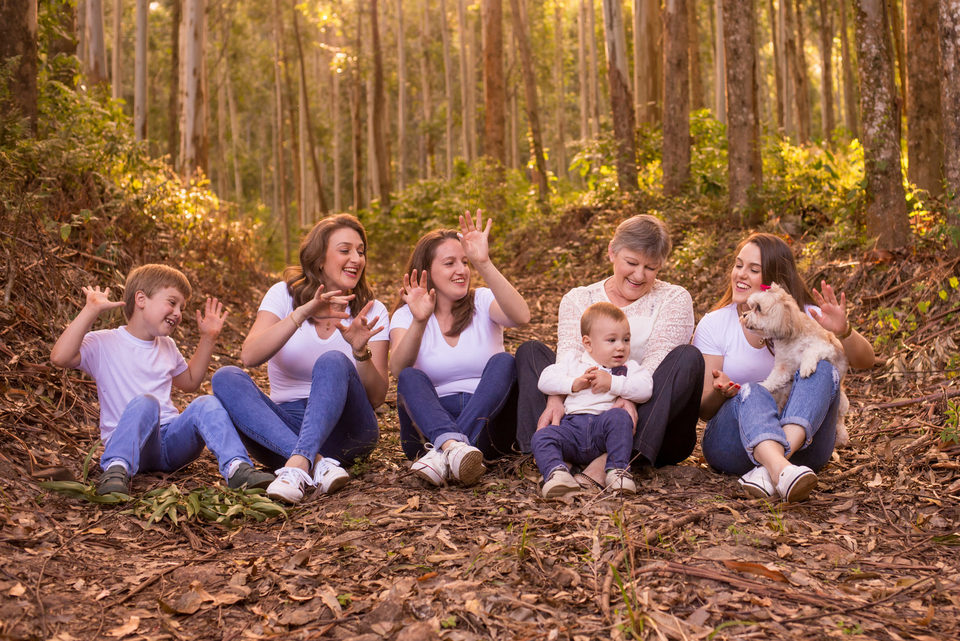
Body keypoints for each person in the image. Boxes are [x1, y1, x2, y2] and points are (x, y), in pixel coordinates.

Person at [50, 264, 273, 495]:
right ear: (141, 299)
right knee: (146, 402)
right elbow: (59, 357)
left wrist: (208, 338)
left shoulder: (167, 346)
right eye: (172, 302)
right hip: (130, 444)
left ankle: (237, 468)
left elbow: (190, 382)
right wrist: (90, 311)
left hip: (172, 445)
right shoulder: (104, 343)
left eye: (181, 308)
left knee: (206, 403)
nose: (178, 313)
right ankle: (116, 470)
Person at [211, 214, 388, 504]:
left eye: (361, 251)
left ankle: (298, 463)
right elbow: (250, 355)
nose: (356, 258)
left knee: (332, 359)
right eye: (345, 250)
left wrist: (359, 351)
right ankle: (315, 463)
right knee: (225, 377)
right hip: (282, 428)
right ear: (319, 259)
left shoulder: (372, 308)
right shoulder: (283, 295)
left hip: (347, 431)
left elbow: (377, 397)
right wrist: (302, 313)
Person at [516, 214, 703, 488]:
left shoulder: (673, 298)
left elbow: (657, 364)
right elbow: (566, 357)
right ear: (612, 253)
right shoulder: (579, 298)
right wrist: (555, 399)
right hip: (578, 418)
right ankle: (556, 455)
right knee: (530, 352)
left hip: (644, 417)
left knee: (687, 359)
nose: (639, 275)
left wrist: (628, 397)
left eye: (651, 267)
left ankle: (609, 462)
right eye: (631, 263)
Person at [693, 232, 875, 502]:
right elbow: (705, 412)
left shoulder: (804, 315)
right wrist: (722, 393)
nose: (740, 274)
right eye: (738, 264)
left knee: (822, 368)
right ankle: (781, 469)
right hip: (733, 444)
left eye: (753, 269)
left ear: (774, 278)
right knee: (753, 391)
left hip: (806, 446)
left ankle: (774, 468)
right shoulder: (715, 324)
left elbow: (866, 361)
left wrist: (843, 331)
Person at [390, 210, 530, 487]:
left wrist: (484, 263)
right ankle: (451, 448)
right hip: (426, 426)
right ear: (426, 271)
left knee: (503, 362)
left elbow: (521, 317)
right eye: (450, 263)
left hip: (488, 425)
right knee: (410, 376)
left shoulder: (482, 301)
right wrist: (420, 320)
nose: (462, 270)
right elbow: (397, 370)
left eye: (465, 262)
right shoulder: (407, 315)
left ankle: (445, 453)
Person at [531, 302, 652, 498]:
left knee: (620, 418)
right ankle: (557, 473)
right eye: (611, 340)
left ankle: (616, 471)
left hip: (602, 431)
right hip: (570, 429)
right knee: (542, 436)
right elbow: (545, 380)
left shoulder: (629, 368)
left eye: (626, 340)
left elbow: (645, 388)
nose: (621, 346)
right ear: (588, 343)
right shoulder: (574, 362)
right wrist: (573, 384)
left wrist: (613, 383)